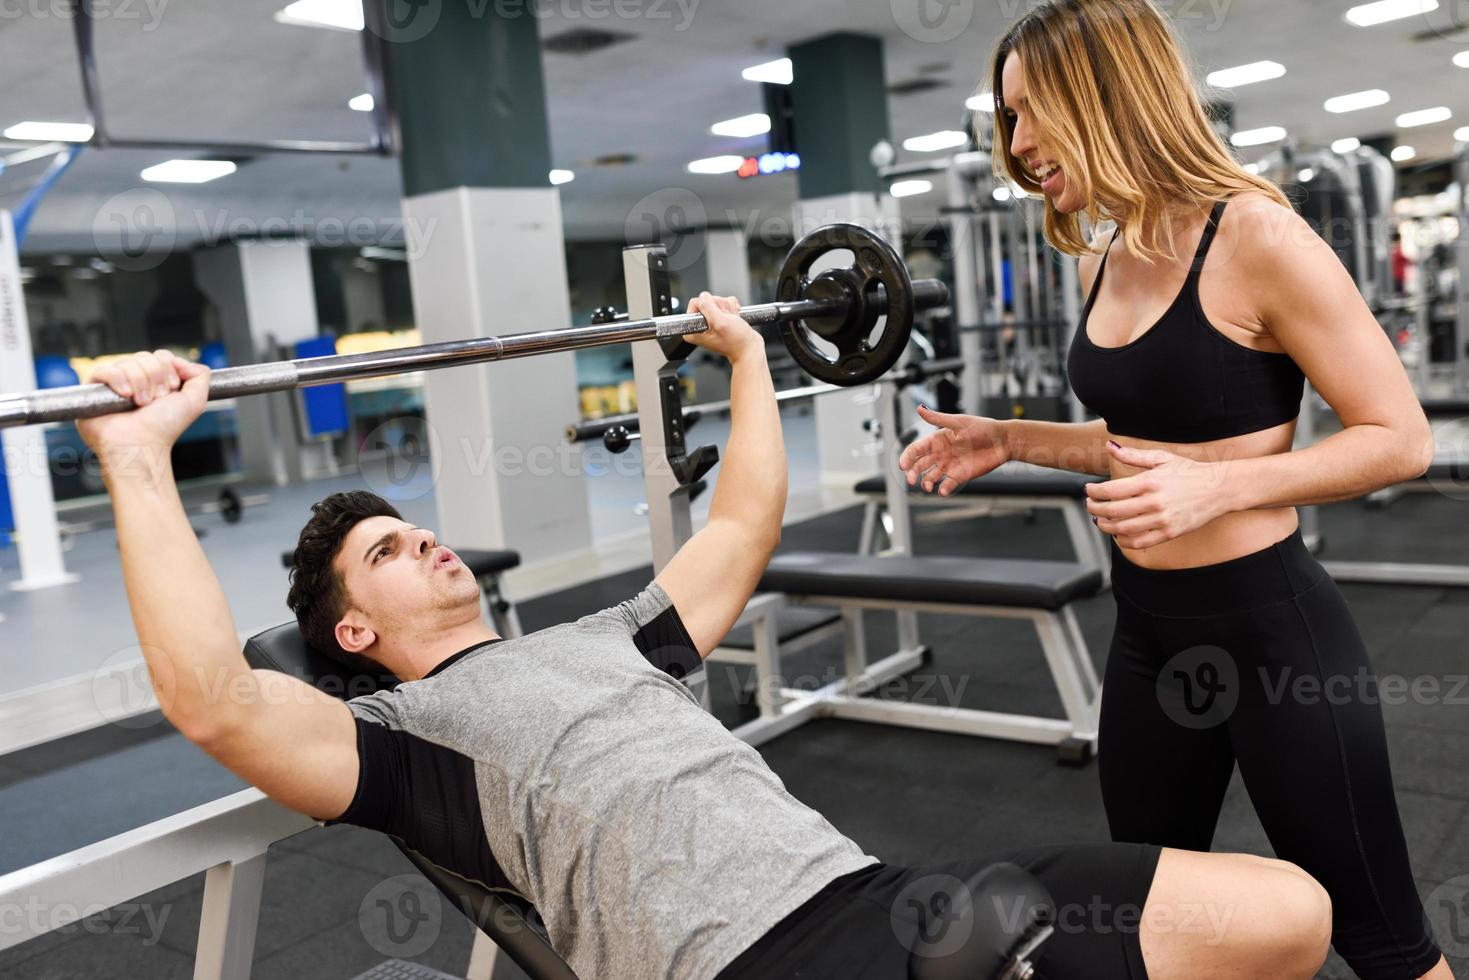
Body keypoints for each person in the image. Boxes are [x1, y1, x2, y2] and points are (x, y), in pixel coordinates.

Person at [81, 295, 1332, 980]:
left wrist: (742, 352)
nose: (428, 544)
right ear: (353, 629)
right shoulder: (398, 740)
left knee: (1283, 911)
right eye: (389, 553)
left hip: (880, 896)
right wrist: (140, 457)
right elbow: (216, 699)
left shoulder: (611, 634)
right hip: (742, 965)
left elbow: (741, 517)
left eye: (419, 528)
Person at [899, 2, 1447, 978]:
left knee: (1382, 942)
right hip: (1149, 639)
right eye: (1007, 118)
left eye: (1031, 112)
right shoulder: (1107, 250)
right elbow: (1134, 442)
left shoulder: (1256, 235)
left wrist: (1218, 487)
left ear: (1110, 96)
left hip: (1276, 640)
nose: (1016, 146)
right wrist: (1009, 436)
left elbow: (1398, 439)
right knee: (1156, 924)